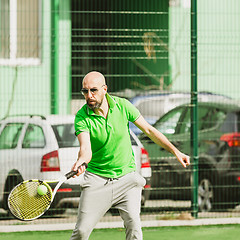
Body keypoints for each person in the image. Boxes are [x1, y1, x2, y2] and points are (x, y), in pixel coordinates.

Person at [70, 71, 190, 240]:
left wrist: (175, 151)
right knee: (81, 232)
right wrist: (81, 160)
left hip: (126, 178)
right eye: (85, 91)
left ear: (105, 89)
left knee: (134, 225)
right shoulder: (82, 117)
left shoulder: (123, 106)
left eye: (93, 90)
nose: (89, 95)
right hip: (96, 180)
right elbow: (85, 149)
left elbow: (149, 130)